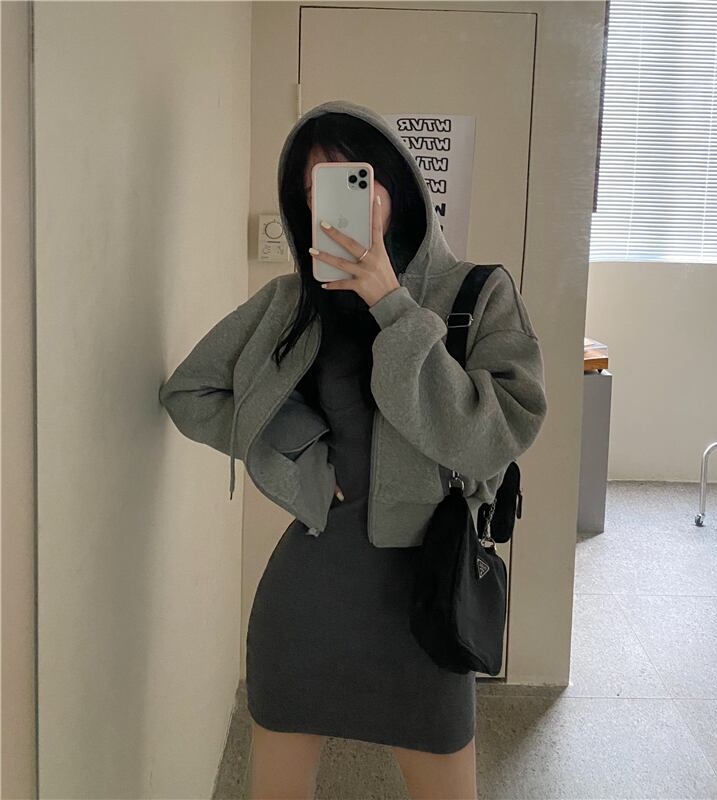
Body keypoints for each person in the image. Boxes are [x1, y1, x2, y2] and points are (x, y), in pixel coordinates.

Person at [160, 99, 548, 800]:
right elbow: (191, 391)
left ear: (395, 183)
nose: (333, 202)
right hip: (310, 597)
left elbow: (493, 435)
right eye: (314, 189)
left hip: (429, 602)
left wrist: (392, 305)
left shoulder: (478, 294)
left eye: (352, 179)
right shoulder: (292, 302)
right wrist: (304, 452)